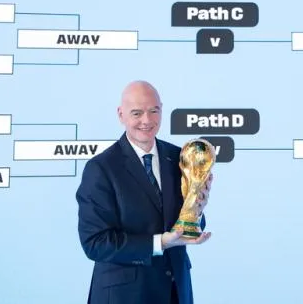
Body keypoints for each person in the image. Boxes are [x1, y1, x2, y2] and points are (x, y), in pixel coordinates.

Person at [76, 80, 213, 304]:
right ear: (121, 115)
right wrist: (160, 243)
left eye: (154, 111)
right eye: (137, 113)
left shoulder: (179, 157)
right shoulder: (101, 168)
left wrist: (197, 209)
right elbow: (96, 243)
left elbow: (185, 225)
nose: (147, 120)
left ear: (162, 110)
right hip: (124, 296)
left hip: (176, 292)